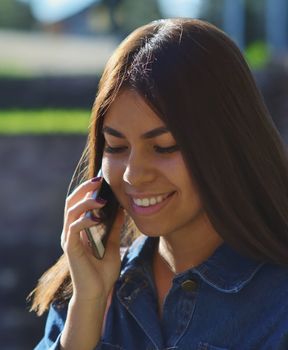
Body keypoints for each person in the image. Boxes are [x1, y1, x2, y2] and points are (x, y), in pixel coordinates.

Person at [29, 18, 288, 350]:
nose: (133, 175)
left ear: (228, 144)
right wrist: (87, 309)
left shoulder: (278, 306)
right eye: (116, 147)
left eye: (164, 146)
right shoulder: (86, 287)